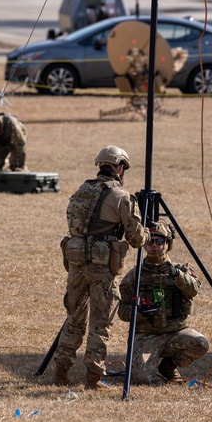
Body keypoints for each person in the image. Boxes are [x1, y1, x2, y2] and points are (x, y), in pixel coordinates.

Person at [53, 145, 149, 389]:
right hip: (102, 267)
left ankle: (60, 372)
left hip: (76, 263)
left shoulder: (80, 191)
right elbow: (136, 239)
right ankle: (93, 378)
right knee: (100, 322)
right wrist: (149, 233)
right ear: (119, 167)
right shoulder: (121, 197)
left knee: (74, 318)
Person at [117, 221, 208, 384]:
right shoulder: (135, 275)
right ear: (144, 245)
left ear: (168, 244)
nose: (155, 246)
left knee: (200, 343)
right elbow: (122, 311)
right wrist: (139, 311)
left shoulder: (181, 270)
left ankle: (168, 366)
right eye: (150, 241)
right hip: (147, 336)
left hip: (175, 333)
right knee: (142, 378)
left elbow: (194, 289)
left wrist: (176, 275)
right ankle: (147, 362)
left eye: (160, 241)